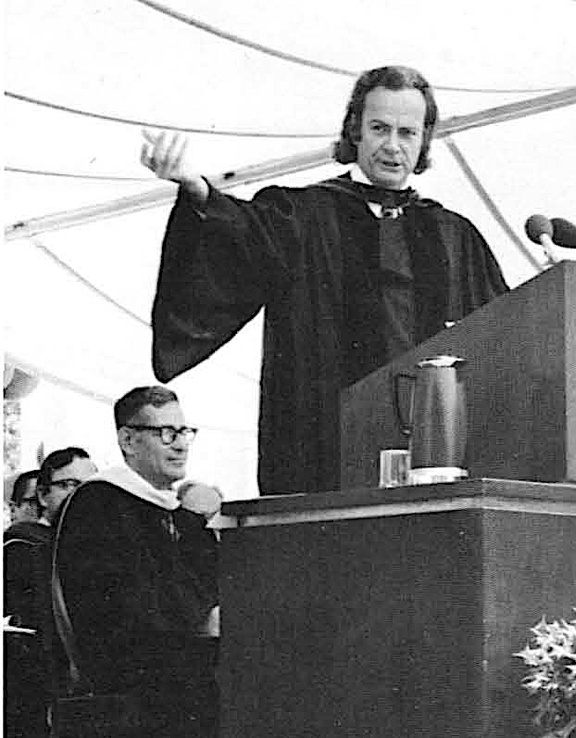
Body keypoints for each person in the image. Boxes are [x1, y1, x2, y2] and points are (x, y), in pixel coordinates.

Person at [141, 64, 509, 496]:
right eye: (379, 128)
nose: (393, 146)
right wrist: (197, 189)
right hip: (324, 449)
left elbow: (501, 333)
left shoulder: (453, 235)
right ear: (355, 132)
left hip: (433, 457)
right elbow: (239, 233)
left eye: (407, 133)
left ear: (424, 139)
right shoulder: (302, 216)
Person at [53, 385, 220, 738]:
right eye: (165, 432)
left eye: (184, 431)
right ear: (128, 440)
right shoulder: (99, 505)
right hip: (132, 697)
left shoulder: (169, 508)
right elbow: (136, 612)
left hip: (171, 687)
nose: (181, 444)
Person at [3, 449, 96, 738]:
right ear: (43, 495)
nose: (81, 495)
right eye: (70, 485)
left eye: (89, 487)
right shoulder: (24, 545)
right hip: (37, 687)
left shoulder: (89, 546)